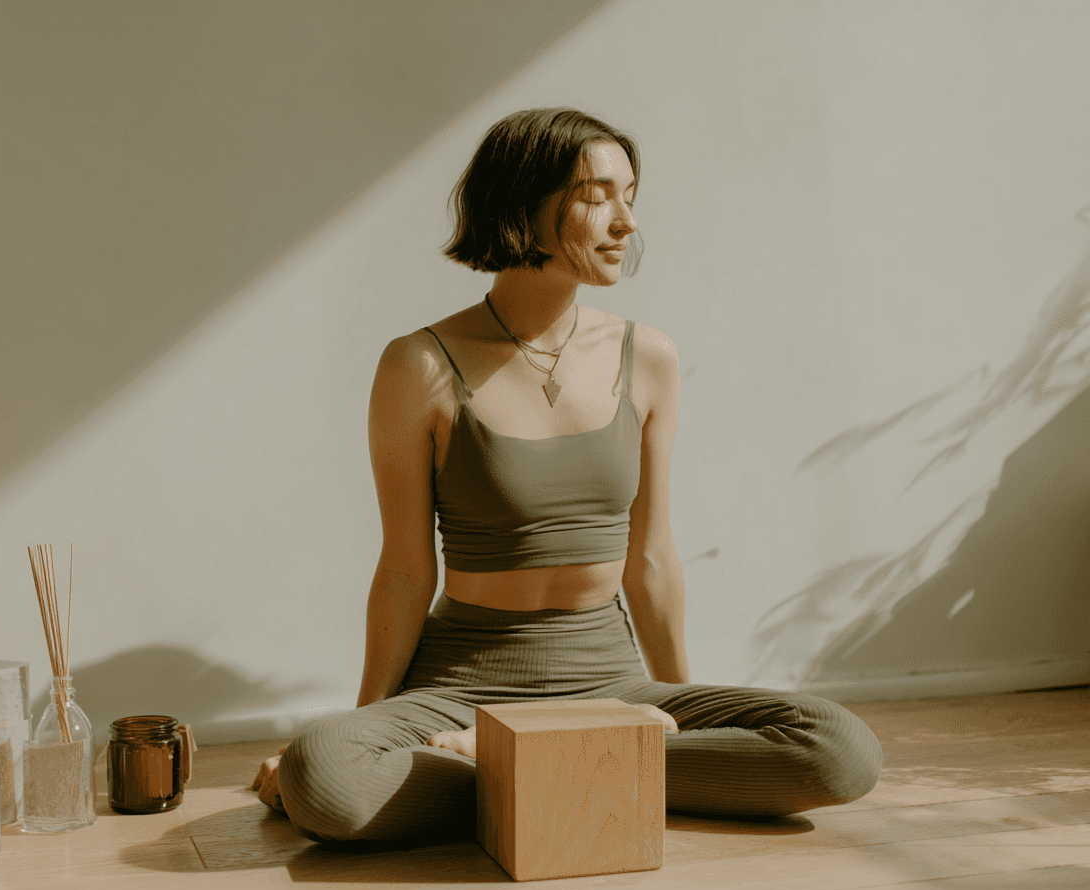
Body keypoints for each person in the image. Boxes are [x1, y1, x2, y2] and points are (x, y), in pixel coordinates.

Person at [251, 108, 882, 846]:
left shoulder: (648, 358)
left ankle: (531, 763)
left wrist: (672, 707)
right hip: (462, 686)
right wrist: (362, 731)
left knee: (840, 749)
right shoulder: (418, 366)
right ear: (523, 204)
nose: (626, 222)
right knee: (325, 774)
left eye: (631, 195)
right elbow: (403, 567)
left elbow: (650, 557)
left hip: (611, 684)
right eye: (596, 195)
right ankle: (566, 761)